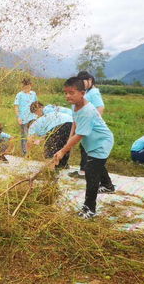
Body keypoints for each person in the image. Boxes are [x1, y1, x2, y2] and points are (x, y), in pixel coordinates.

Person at [54, 77, 114, 219]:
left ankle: (89, 209)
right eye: (66, 93)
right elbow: (75, 124)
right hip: (93, 142)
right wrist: (67, 143)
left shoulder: (87, 111)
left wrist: (63, 150)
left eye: (71, 92)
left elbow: (79, 135)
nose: (68, 96)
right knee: (97, 165)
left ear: (82, 93)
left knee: (91, 173)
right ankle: (108, 185)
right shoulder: (75, 106)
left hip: (101, 143)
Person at [69, 71, 105, 179]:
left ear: (90, 80)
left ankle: (86, 172)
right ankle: (84, 171)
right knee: (85, 147)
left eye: (83, 82)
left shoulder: (94, 92)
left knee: (87, 148)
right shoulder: (87, 92)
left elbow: (100, 107)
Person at [28, 102, 73, 168]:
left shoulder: (34, 124)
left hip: (61, 123)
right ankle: (62, 165)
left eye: (36, 112)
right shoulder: (48, 114)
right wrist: (39, 140)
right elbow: (47, 134)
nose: (37, 115)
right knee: (63, 144)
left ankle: (50, 171)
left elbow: (29, 141)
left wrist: (28, 154)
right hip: (71, 122)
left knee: (49, 148)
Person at [14, 78, 37, 155]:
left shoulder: (33, 94)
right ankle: (25, 152)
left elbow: (36, 104)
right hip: (23, 118)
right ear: (22, 86)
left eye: (28, 87)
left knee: (32, 134)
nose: (27, 89)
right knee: (25, 135)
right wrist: (18, 117)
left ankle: (31, 151)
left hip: (32, 116)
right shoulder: (19, 95)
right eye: (25, 87)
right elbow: (16, 106)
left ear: (31, 86)